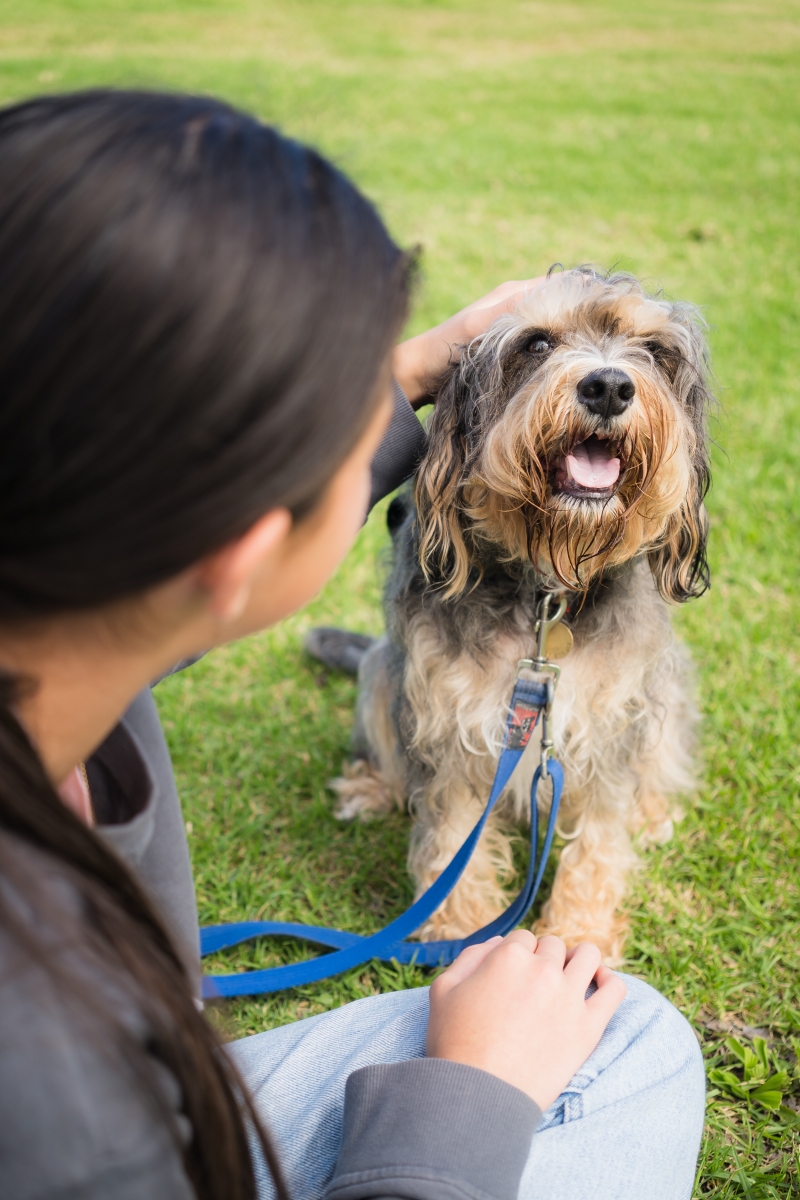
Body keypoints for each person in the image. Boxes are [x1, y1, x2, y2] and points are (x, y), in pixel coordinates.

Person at [0, 89, 706, 1200]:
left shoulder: (65, 650)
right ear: (238, 549)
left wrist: (415, 367)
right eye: (345, 425)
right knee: (635, 1048)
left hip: (155, 1046)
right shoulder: (56, 1112)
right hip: (169, 1118)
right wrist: (461, 1099)